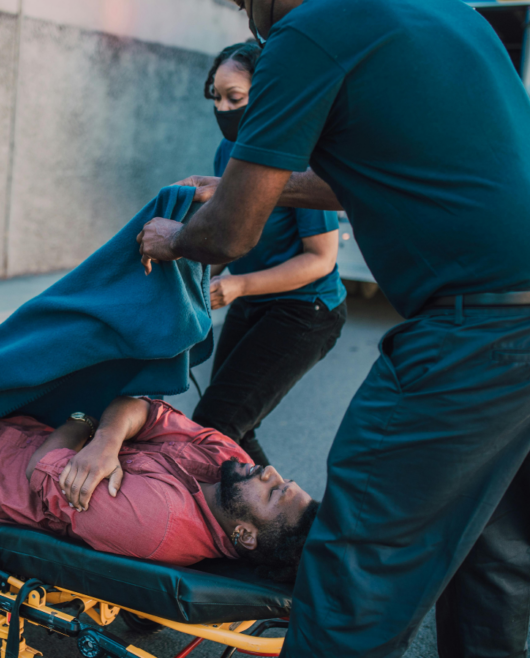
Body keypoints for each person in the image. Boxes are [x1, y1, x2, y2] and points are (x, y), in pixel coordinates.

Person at [137, 0, 530, 656]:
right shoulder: (441, 11)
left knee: (355, 567)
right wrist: (248, 186)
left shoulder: (307, 32)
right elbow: (377, 169)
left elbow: (232, 232)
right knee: (493, 550)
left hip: (484, 328)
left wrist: (173, 236)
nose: (248, 17)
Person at [0, 395, 318, 578]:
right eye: (285, 480)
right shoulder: (231, 464)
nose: (270, 472)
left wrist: (84, 424)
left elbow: (42, 470)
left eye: (274, 493)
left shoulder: (157, 521)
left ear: (246, 536)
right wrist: (104, 439)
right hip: (7, 427)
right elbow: (143, 406)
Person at [194, 41, 346, 466]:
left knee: (217, 423)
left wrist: (238, 284)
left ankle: (287, 524)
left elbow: (321, 259)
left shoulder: (300, 156)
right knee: (224, 427)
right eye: (217, 98)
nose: (224, 109)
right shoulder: (228, 152)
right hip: (251, 300)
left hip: (306, 309)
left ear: (266, 95)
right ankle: (275, 521)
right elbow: (227, 236)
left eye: (235, 98)